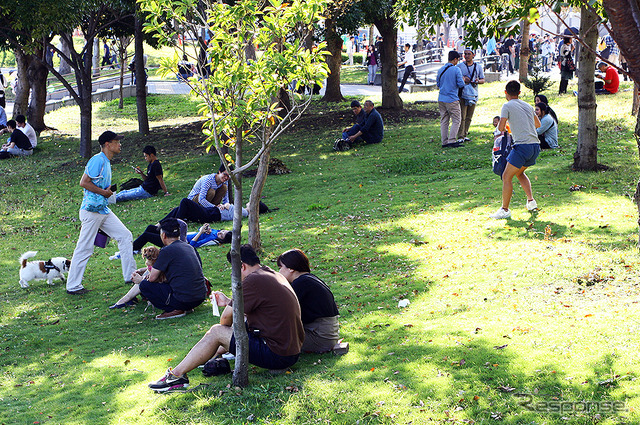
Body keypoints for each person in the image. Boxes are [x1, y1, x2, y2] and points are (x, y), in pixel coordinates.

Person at [148, 244, 304, 392]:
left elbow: (225, 320)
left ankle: (176, 376)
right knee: (229, 331)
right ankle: (207, 358)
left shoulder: (253, 280)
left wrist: (228, 311)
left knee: (217, 331)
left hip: (279, 355)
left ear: (241, 266)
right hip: (291, 351)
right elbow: (256, 309)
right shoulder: (270, 274)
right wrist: (229, 302)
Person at [65, 131, 136, 294]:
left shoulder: (106, 161)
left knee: (125, 235)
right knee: (84, 248)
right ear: (107, 144)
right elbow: (84, 182)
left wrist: (107, 192)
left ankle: (131, 276)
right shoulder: (97, 160)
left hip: (102, 209)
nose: (119, 144)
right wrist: (103, 192)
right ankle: (73, 286)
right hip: (91, 212)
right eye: (116, 141)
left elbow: (96, 184)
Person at [111, 218, 208, 319]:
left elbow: (152, 278)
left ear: (163, 235)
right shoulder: (188, 247)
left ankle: (175, 309)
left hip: (183, 299)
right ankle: (185, 307)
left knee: (144, 285)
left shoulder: (166, 251)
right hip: (199, 297)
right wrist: (142, 270)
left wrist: (139, 280)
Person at [490, 81, 541, 220]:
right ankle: (531, 202)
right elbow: (538, 124)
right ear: (519, 93)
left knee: (506, 176)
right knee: (519, 173)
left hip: (522, 146)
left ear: (505, 93)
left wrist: (507, 125)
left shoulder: (507, 105)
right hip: (535, 146)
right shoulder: (528, 105)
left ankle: (504, 210)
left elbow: (500, 128)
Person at [277, 249, 340, 353]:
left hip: (320, 338)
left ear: (290, 268)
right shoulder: (309, 279)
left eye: (280, 267)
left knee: (272, 337)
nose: (279, 272)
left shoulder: (301, 283)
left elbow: (281, 311)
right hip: (326, 336)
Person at [436, 50, 465, 148]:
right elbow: (461, 84)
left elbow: (438, 84)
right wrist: (463, 80)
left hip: (441, 97)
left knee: (444, 120)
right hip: (452, 98)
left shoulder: (440, 69)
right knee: (457, 119)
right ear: (455, 59)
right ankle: (452, 140)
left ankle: (444, 141)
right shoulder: (456, 70)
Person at [457, 48, 485, 142]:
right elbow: (456, 78)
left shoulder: (478, 66)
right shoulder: (460, 66)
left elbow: (483, 80)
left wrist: (477, 81)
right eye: (465, 54)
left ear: (473, 55)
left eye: (469, 54)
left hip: (473, 93)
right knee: (462, 115)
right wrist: (463, 79)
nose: (467, 56)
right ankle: (460, 135)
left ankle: (465, 133)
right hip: (463, 94)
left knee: (469, 116)